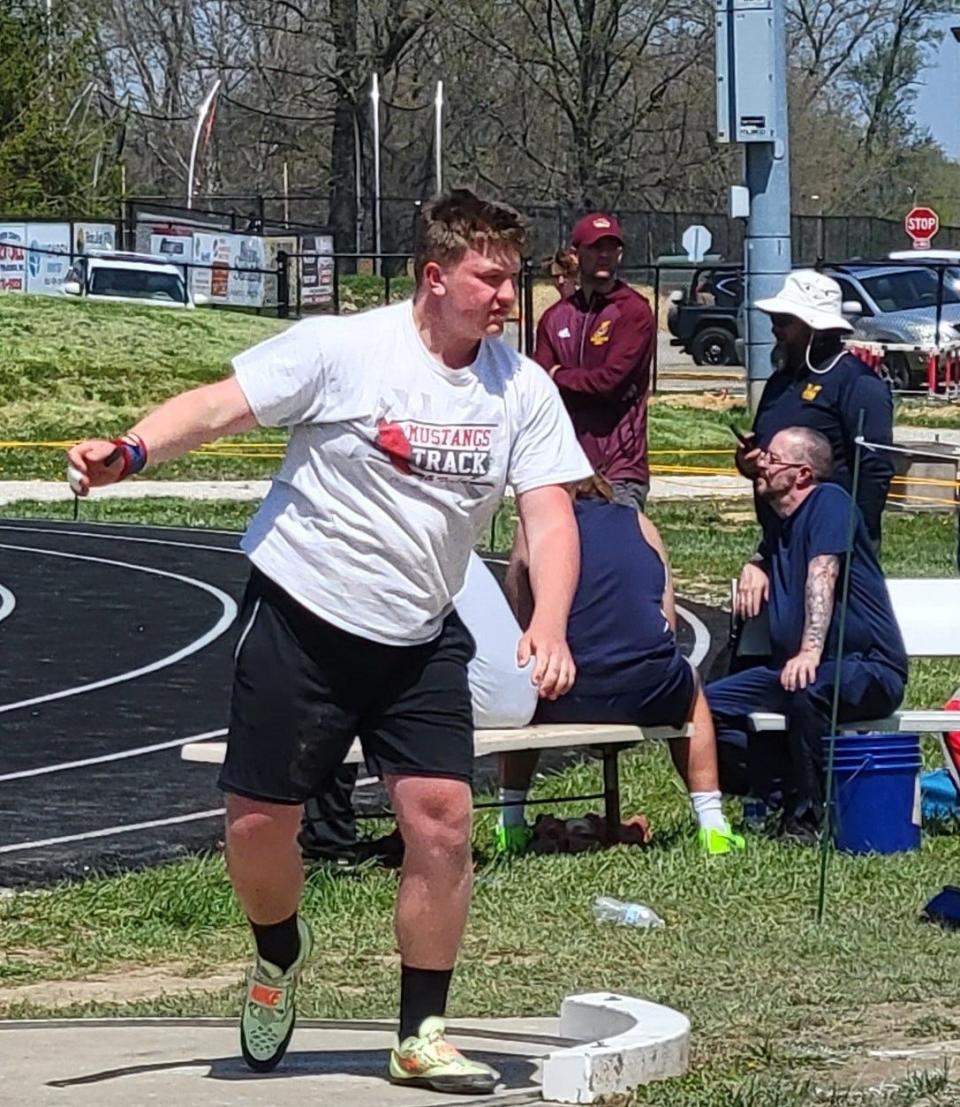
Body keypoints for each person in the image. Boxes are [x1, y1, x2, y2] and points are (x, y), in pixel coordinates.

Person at [66, 188, 592, 1095]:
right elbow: (220, 406)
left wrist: (547, 622)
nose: (509, 296)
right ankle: (278, 950)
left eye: (514, 277)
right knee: (258, 824)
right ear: (435, 277)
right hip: (303, 615)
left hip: (421, 634)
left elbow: (547, 514)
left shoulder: (522, 387)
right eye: (490, 278)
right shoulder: (342, 348)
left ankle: (421, 1030)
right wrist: (132, 452)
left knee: (444, 819)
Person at [497, 473, 745, 857]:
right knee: (692, 687)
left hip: (563, 692)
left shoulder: (535, 528)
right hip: (646, 688)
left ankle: (510, 821)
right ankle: (711, 822)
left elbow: (521, 614)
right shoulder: (641, 524)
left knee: (523, 686)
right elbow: (669, 618)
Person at [707, 427, 908, 844]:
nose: (763, 464)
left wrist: (809, 651)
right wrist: (756, 561)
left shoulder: (829, 502)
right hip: (791, 672)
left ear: (801, 474)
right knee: (703, 708)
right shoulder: (783, 522)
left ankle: (810, 816)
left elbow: (823, 572)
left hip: (867, 668)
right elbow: (771, 530)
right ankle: (782, 792)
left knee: (808, 692)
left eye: (773, 459)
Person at [299, 552, 539, 867]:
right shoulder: (448, 539)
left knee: (332, 688)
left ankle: (327, 840)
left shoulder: (383, 548)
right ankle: (384, 832)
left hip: (481, 691)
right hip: (520, 690)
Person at [735, 269, 894, 551]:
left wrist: (849, 540)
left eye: (783, 321)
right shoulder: (781, 382)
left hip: (832, 541)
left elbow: (874, 471)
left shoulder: (857, 383)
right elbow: (764, 451)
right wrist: (748, 463)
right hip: (779, 539)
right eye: (774, 319)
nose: (775, 329)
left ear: (815, 328)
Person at [533, 213, 655, 512]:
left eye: (611, 248)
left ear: (620, 254)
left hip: (619, 469)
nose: (604, 255)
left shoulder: (633, 313)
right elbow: (538, 386)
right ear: (576, 254)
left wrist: (558, 374)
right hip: (564, 467)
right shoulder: (555, 318)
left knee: (617, 557)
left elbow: (609, 383)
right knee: (554, 557)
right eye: (595, 247)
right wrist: (554, 377)